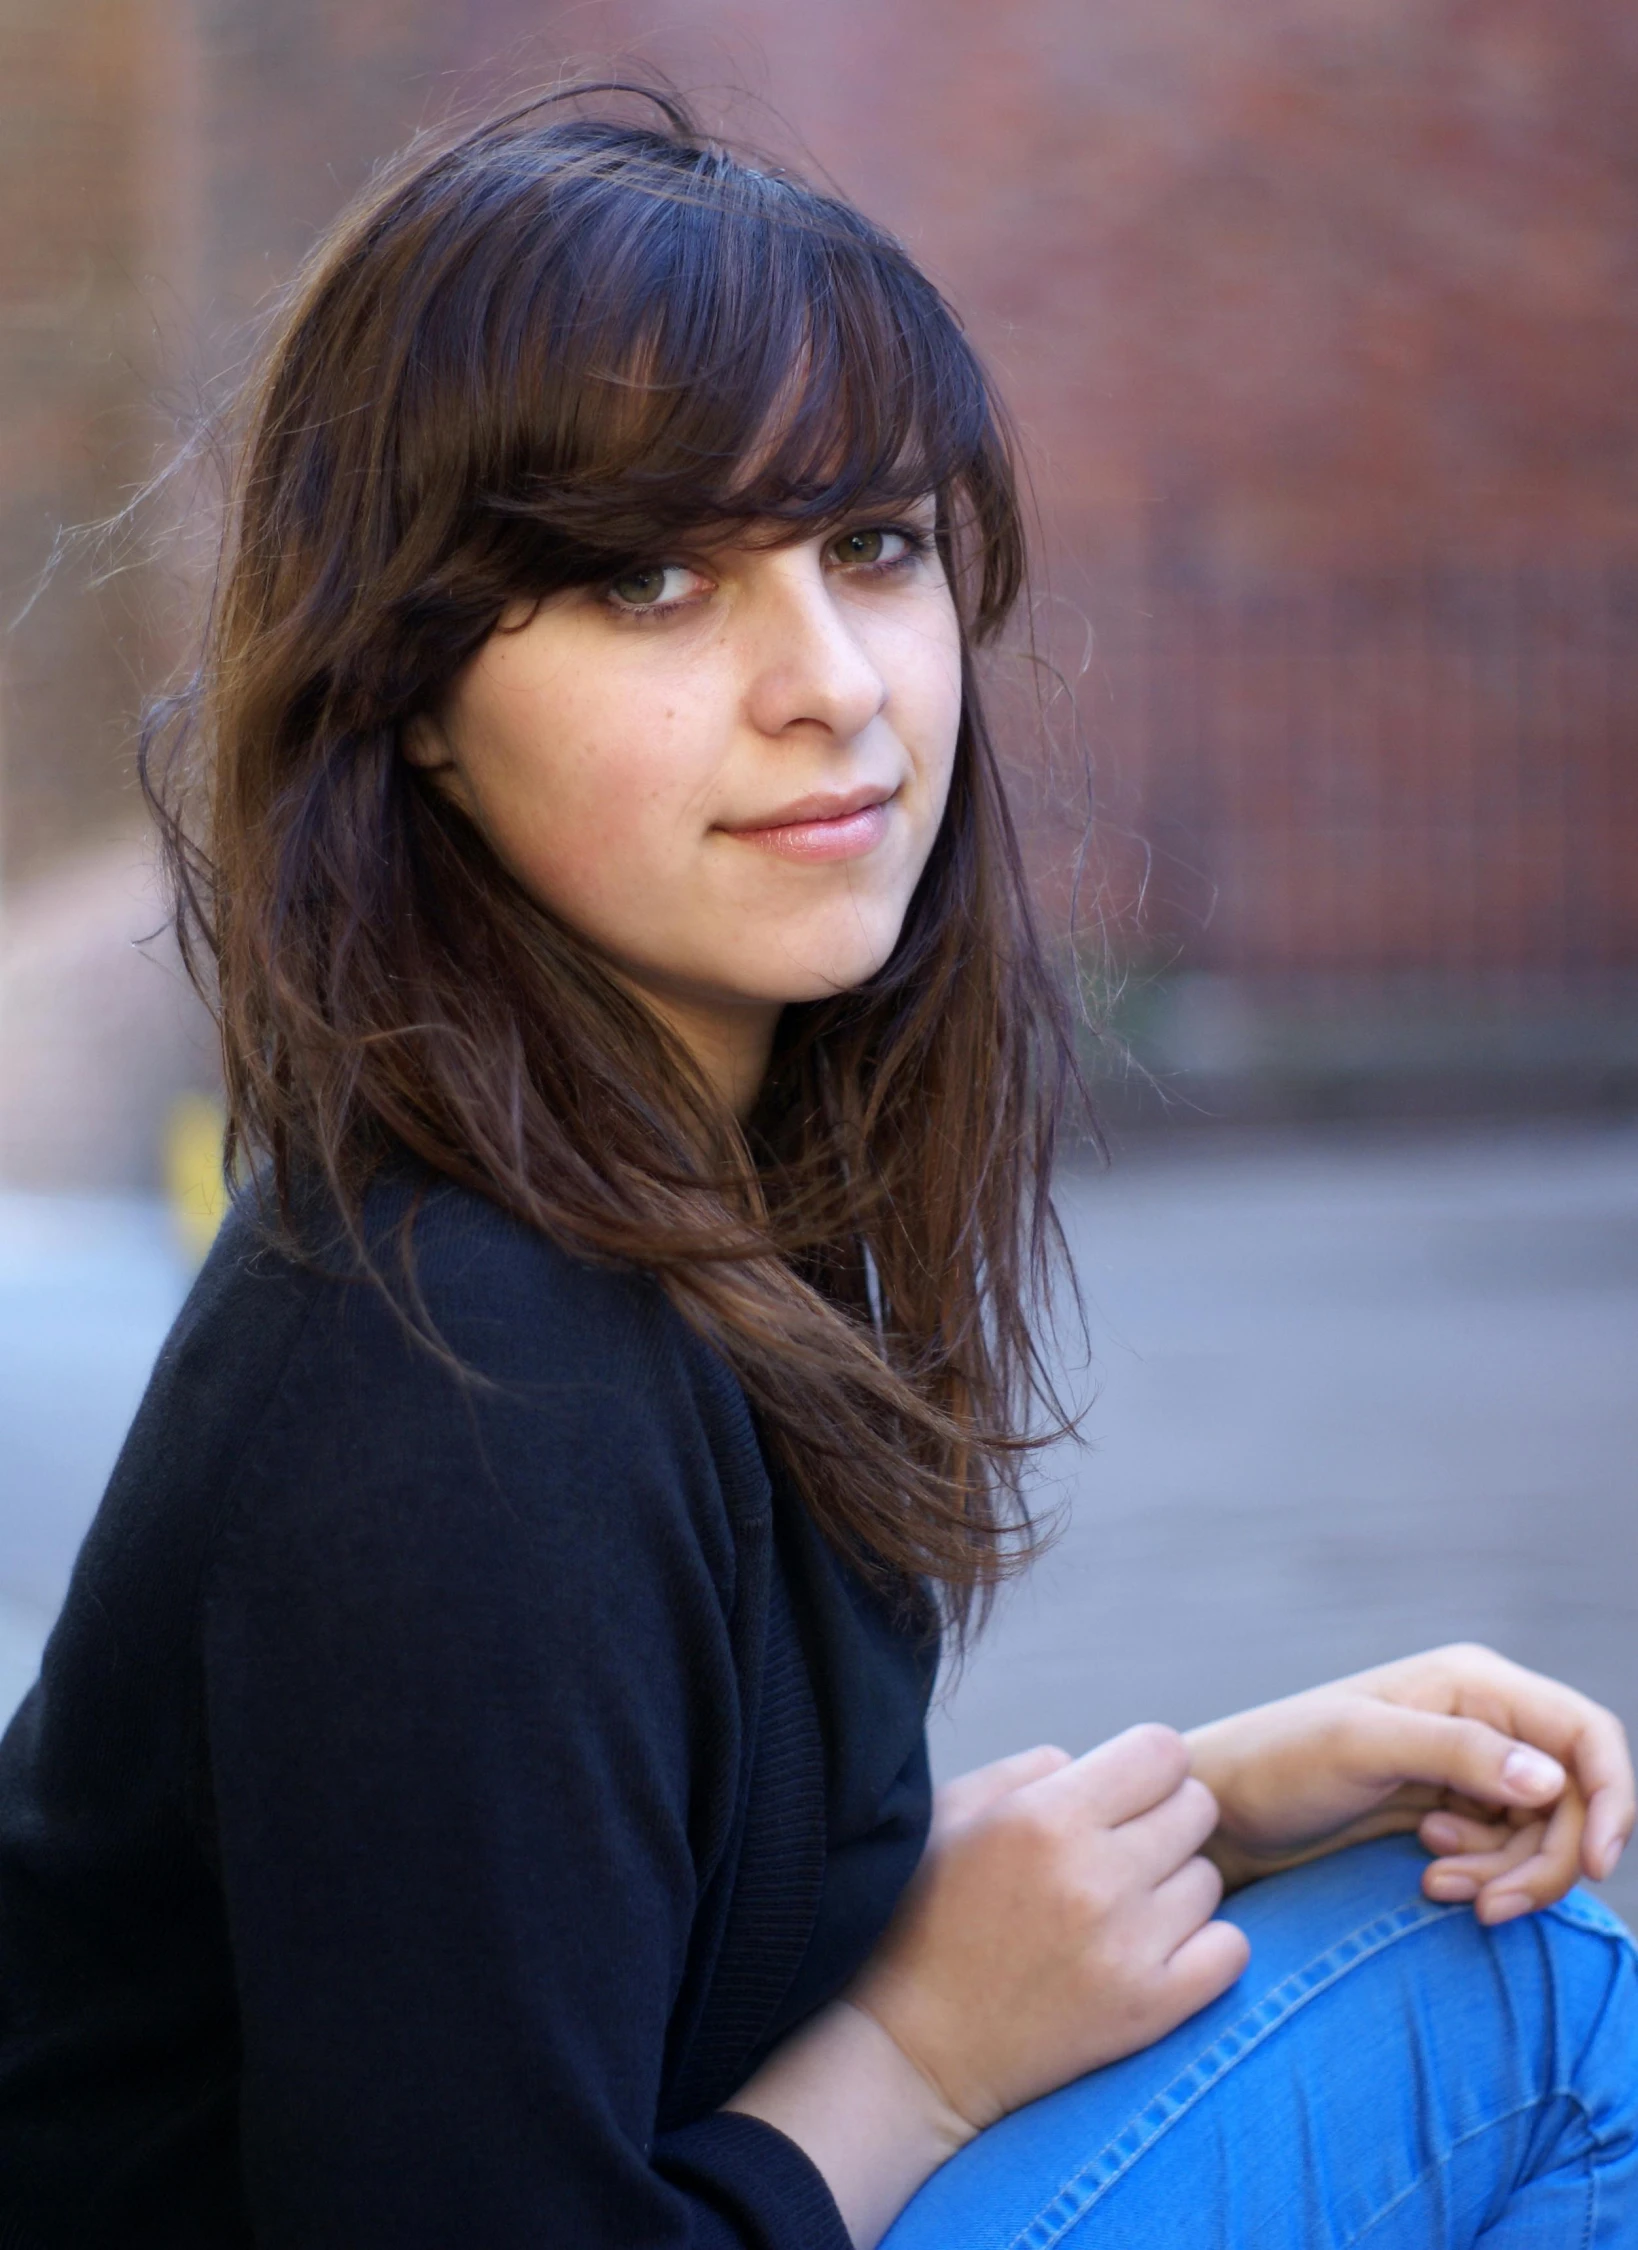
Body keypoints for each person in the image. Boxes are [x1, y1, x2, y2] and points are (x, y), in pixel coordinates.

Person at [0, 85, 1633, 2250]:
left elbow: (624, 1951)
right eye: (657, 580)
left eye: (872, 549)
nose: (832, 685)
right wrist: (926, 2056)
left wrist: (1202, 1818)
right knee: (1522, 2013)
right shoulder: (461, 1380)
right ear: (406, 696)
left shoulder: (673, 1196)